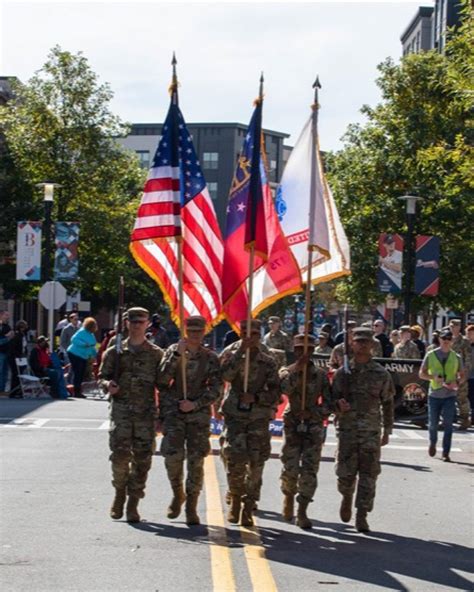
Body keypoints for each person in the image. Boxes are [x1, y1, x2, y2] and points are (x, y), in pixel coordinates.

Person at [98, 307, 163, 523]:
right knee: (119, 456)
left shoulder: (156, 354)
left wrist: (163, 415)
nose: (136, 325)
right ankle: (119, 494)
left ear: (147, 324)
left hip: (145, 414)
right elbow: (102, 376)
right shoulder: (115, 351)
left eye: (141, 321)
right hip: (121, 412)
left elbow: (163, 384)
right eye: (133, 321)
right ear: (126, 323)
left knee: (143, 460)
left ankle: (133, 501)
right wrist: (109, 385)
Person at [157, 315, 222, 526]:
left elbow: (216, 389)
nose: (194, 335)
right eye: (191, 331)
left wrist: (195, 404)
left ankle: (191, 505)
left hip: (198, 416)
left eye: (198, 332)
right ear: (185, 331)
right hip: (174, 413)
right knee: (172, 457)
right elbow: (162, 381)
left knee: (196, 461)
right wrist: (176, 355)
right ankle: (178, 494)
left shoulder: (210, 358)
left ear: (204, 333)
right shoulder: (172, 352)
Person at [332, 327, 395, 533]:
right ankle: (346, 496)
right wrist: (338, 407)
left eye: (366, 342)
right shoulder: (343, 373)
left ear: (372, 346)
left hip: (371, 431)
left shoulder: (380, 373)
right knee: (345, 473)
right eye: (358, 342)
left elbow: (387, 402)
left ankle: (362, 514)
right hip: (347, 429)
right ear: (352, 344)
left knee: (369, 474)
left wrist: (388, 429)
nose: (362, 345)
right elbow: (331, 399)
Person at [219, 319, 280, 527]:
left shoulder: (268, 357)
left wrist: (257, 399)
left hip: (258, 417)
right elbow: (225, 375)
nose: (249, 336)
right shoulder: (230, 351)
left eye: (253, 333)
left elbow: (275, 391)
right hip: (235, 415)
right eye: (245, 332)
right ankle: (235, 498)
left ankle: (249, 504)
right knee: (234, 459)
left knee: (256, 463)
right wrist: (239, 353)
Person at [279, 334, 334, 529]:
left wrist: (314, 412)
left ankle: (302, 508)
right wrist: (297, 370)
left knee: (310, 468)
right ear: (294, 351)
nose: (304, 353)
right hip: (293, 421)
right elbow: (283, 389)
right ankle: (288, 495)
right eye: (300, 349)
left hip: (313, 424)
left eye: (308, 350)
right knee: (290, 465)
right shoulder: (287, 371)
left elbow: (329, 402)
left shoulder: (319, 374)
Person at [419, 328, 465, 461]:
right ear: (439, 339)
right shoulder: (431, 354)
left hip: (449, 395)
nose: (446, 341)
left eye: (449, 339)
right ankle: (433, 442)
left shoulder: (456, 357)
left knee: (448, 424)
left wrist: (456, 382)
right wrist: (433, 377)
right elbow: (421, 373)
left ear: (452, 341)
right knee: (433, 424)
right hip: (434, 395)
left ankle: (446, 452)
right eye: (444, 338)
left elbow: (462, 375)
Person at [449, 319, 472, 429]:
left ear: (459, 327)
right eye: (452, 326)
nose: (453, 328)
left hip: (460, 372)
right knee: (446, 397)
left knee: (461, 397)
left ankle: (465, 419)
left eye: (456, 326)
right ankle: (446, 419)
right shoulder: (447, 339)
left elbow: (468, 359)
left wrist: (465, 374)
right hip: (448, 373)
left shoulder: (464, 341)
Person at [67, 317, 98, 398]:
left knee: (81, 373)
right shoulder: (82, 331)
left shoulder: (91, 335)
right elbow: (73, 339)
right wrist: (84, 344)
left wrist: (96, 355)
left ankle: (77, 390)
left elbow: (92, 347)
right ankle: (76, 392)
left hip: (83, 356)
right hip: (74, 353)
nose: (95, 327)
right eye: (94, 326)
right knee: (78, 372)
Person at [8, 320, 28, 398]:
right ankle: (14, 391)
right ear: (21, 328)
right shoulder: (16, 336)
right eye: (24, 327)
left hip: (21, 357)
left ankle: (19, 391)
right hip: (15, 358)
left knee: (20, 374)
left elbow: (24, 346)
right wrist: (17, 356)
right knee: (15, 374)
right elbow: (13, 347)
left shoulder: (23, 335)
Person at [0, 310, 13, 395]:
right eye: (6, 315)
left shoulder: (7, 326)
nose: (8, 317)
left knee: (5, 372)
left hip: (7, 352)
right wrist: (7, 337)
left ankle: (2, 390)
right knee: (0, 371)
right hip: (0, 352)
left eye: (8, 315)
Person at [466, 325, 474, 425]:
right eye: (468, 333)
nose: (469, 335)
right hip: (464, 374)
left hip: (473, 376)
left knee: (472, 397)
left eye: (471, 333)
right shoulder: (464, 345)